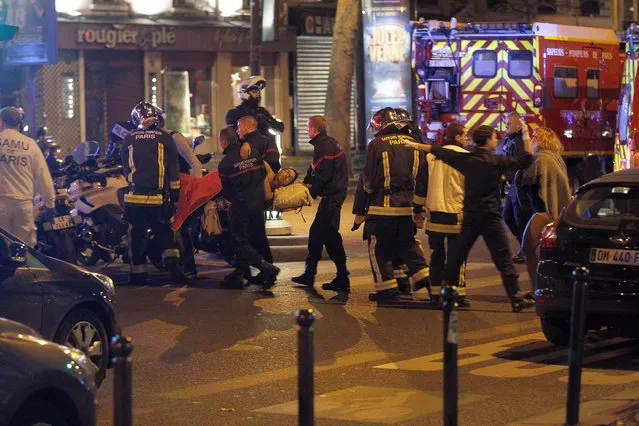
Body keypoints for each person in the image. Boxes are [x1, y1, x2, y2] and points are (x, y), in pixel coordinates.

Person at [405, 125, 535, 312]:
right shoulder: (496, 160)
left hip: (470, 215)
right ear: (488, 140)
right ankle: (515, 297)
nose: (496, 140)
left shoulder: (466, 159)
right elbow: (525, 160)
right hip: (490, 216)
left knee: (457, 256)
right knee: (502, 257)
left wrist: (415, 145)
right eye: (494, 137)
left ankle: (447, 294)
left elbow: (438, 151)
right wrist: (525, 136)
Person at [361, 107, 432, 302]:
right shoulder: (415, 143)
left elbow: (368, 180)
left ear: (380, 125)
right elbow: (423, 177)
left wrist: (367, 194)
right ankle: (425, 277)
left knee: (378, 247)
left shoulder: (376, 144)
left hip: (382, 207)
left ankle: (387, 290)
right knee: (407, 243)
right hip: (409, 207)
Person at [121, 102, 185, 285]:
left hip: (134, 198)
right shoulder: (165, 138)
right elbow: (173, 168)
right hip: (158, 198)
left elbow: (126, 169)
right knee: (165, 233)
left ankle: (138, 274)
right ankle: (174, 268)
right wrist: (174, 194)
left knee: (137, 236)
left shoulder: (129, 139)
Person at [291, 115, 350, 292]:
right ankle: (310, 274)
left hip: (333, 197)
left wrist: (310, 193)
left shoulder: (323, 146)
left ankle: (342, 276)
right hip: (332, 196)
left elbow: (323, 174)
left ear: (314, 128)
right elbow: (314, 170)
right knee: (317, 233)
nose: (307, 130)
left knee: (330, 236)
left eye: (308, 127)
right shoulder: (326, 143)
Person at [217, 127, 280, 290]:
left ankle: (266, 267)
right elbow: (261, 176)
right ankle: (249, 272)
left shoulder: (225, 164)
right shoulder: (254, 154)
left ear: (223, 142)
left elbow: (228, 191)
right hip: (258, 203)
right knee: (259, 237)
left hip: (241, 206)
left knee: (240, 241)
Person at [518, 128, 571, 293]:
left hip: (543, 210)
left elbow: (524, 178)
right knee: (546, 253)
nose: (532, 140)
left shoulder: (541, 159)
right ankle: (546, 287)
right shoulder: (555, 158)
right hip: (552, 210)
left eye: (534, 137)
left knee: (528, 249)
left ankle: (538, 288)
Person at [424, 123, 470, 306]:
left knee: (436, 255)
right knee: (457, 256)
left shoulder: (431, 156)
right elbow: (469, 186)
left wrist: (418, 209)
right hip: (455, 211)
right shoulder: (466, 157)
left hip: (434, 212)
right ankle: (456, 293)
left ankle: (435, 294)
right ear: (458, 137)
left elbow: (422, 184)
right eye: (465, 136)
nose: (466, 139)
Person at [156, 108, 202, 280]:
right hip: (163, 190)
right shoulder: (154, 140)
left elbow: (193, 162)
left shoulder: (174, 137)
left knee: (180, 229)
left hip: (181, 188)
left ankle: (189, 267)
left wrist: (197, 189)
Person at [0, 106, 55, 246]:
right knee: (24, 247)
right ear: (19, 124)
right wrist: (50, 202)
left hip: (2, 201)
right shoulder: (30, 145)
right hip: (23, 204)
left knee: (2, 246)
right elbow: (43, 175)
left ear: (1, 121)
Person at [498, 112, 533, 263]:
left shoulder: (519, 142)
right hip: (510, 185)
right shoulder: (509, 140)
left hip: (517, 186)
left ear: (519, 126)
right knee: (508, 217)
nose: (506, 126)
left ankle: (527, 250)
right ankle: (524, 247)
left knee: (520, 218)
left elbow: (520, 162)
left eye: (509, 124)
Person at [225, 75, 285, 145]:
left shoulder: (262, 111)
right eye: (254, 91)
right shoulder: (234, 113)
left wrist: (268, 122)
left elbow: (280, 129)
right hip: (246, 153)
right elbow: (232, 138)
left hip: (265, 153)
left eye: (259, 91)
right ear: (244, 92)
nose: (258, 94)